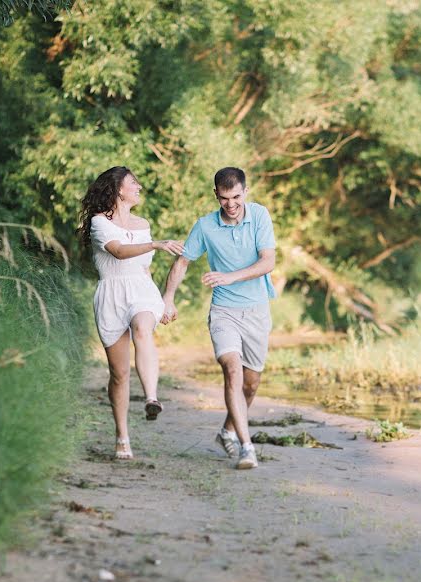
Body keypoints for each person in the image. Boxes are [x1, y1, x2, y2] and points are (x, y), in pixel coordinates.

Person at [160, 167, 276, 470]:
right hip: (223, 311)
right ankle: (246, 447)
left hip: (256, 311)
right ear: (216, 195)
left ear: (245, 192)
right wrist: (167, 298)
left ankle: (226, 431)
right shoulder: (205, 226)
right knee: (233, 371)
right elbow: (183, 261)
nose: (231, 204)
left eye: (236, 196)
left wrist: (230, 277)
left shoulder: (260, 216)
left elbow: (268, 261)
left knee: (250, 385)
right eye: (224, 198)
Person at [77, 166, 184, 459]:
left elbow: (143, 267)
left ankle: (151, 397)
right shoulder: (100, 223)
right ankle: (122, 437)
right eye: (133, 183)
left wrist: (163, 302)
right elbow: (120, 252)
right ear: (117, 189)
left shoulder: (143, 222)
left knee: (142, 328)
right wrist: (155, 244)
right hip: (112, 294)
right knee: (119, 374)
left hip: (141, 290)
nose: (138, 187)